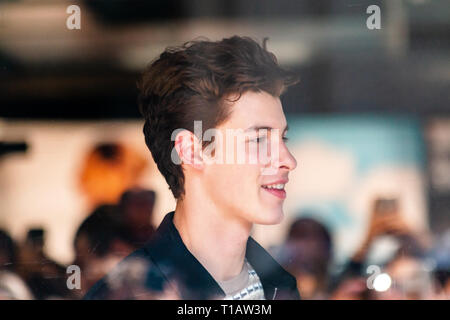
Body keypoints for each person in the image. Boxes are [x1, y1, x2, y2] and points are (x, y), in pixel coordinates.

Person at [84, 35, 300, 300]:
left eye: (283, 138)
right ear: (191, 151)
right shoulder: (131, 294)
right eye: (258, 139)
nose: (288, 160)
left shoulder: (281, 287)